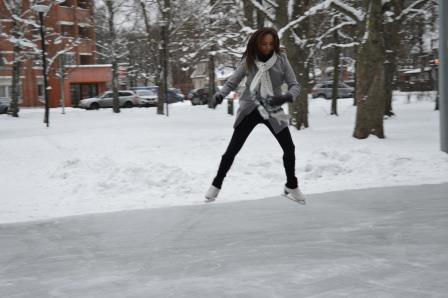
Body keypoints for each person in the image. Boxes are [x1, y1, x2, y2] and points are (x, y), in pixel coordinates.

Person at [205, 27, 305, 203]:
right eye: (264, 44)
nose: (267, 47)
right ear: (257, 43)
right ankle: (216, 185)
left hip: (272, 109)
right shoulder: (249, 60)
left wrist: (287, 96)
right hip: (250, 109)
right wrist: (220, 95)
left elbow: (294, 85)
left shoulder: (281, 59)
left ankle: (291, 184)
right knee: (232, 151)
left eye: (270, 44)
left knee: (289, 148)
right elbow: (233, 81)